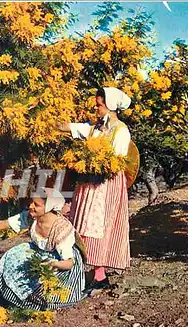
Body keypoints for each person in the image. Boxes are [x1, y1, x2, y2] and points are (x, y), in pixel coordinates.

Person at [55, 87, 132, 295]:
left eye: (99, 105)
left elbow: (116, 162)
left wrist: (93, 162)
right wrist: (46, 121)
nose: (96, 109)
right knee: (82, 225)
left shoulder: (121, 130)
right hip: (88, 182)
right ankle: (85, 273)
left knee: (100, 228)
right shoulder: (94, 128)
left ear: (111, 106)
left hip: (106, 185)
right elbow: (69, 127)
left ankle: (99, 276)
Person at [0, 188, 86, 310]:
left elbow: (69, 262)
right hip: (40, 251)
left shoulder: (61, 228)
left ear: (48, 207)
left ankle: (31, 301)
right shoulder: (31, 218)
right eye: (31, 202)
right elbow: (4, 224)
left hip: (60, 260)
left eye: (36, 205)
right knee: (14, 254)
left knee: (42, 279)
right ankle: (6, 294)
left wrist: (54, 264)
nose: (31, 206)